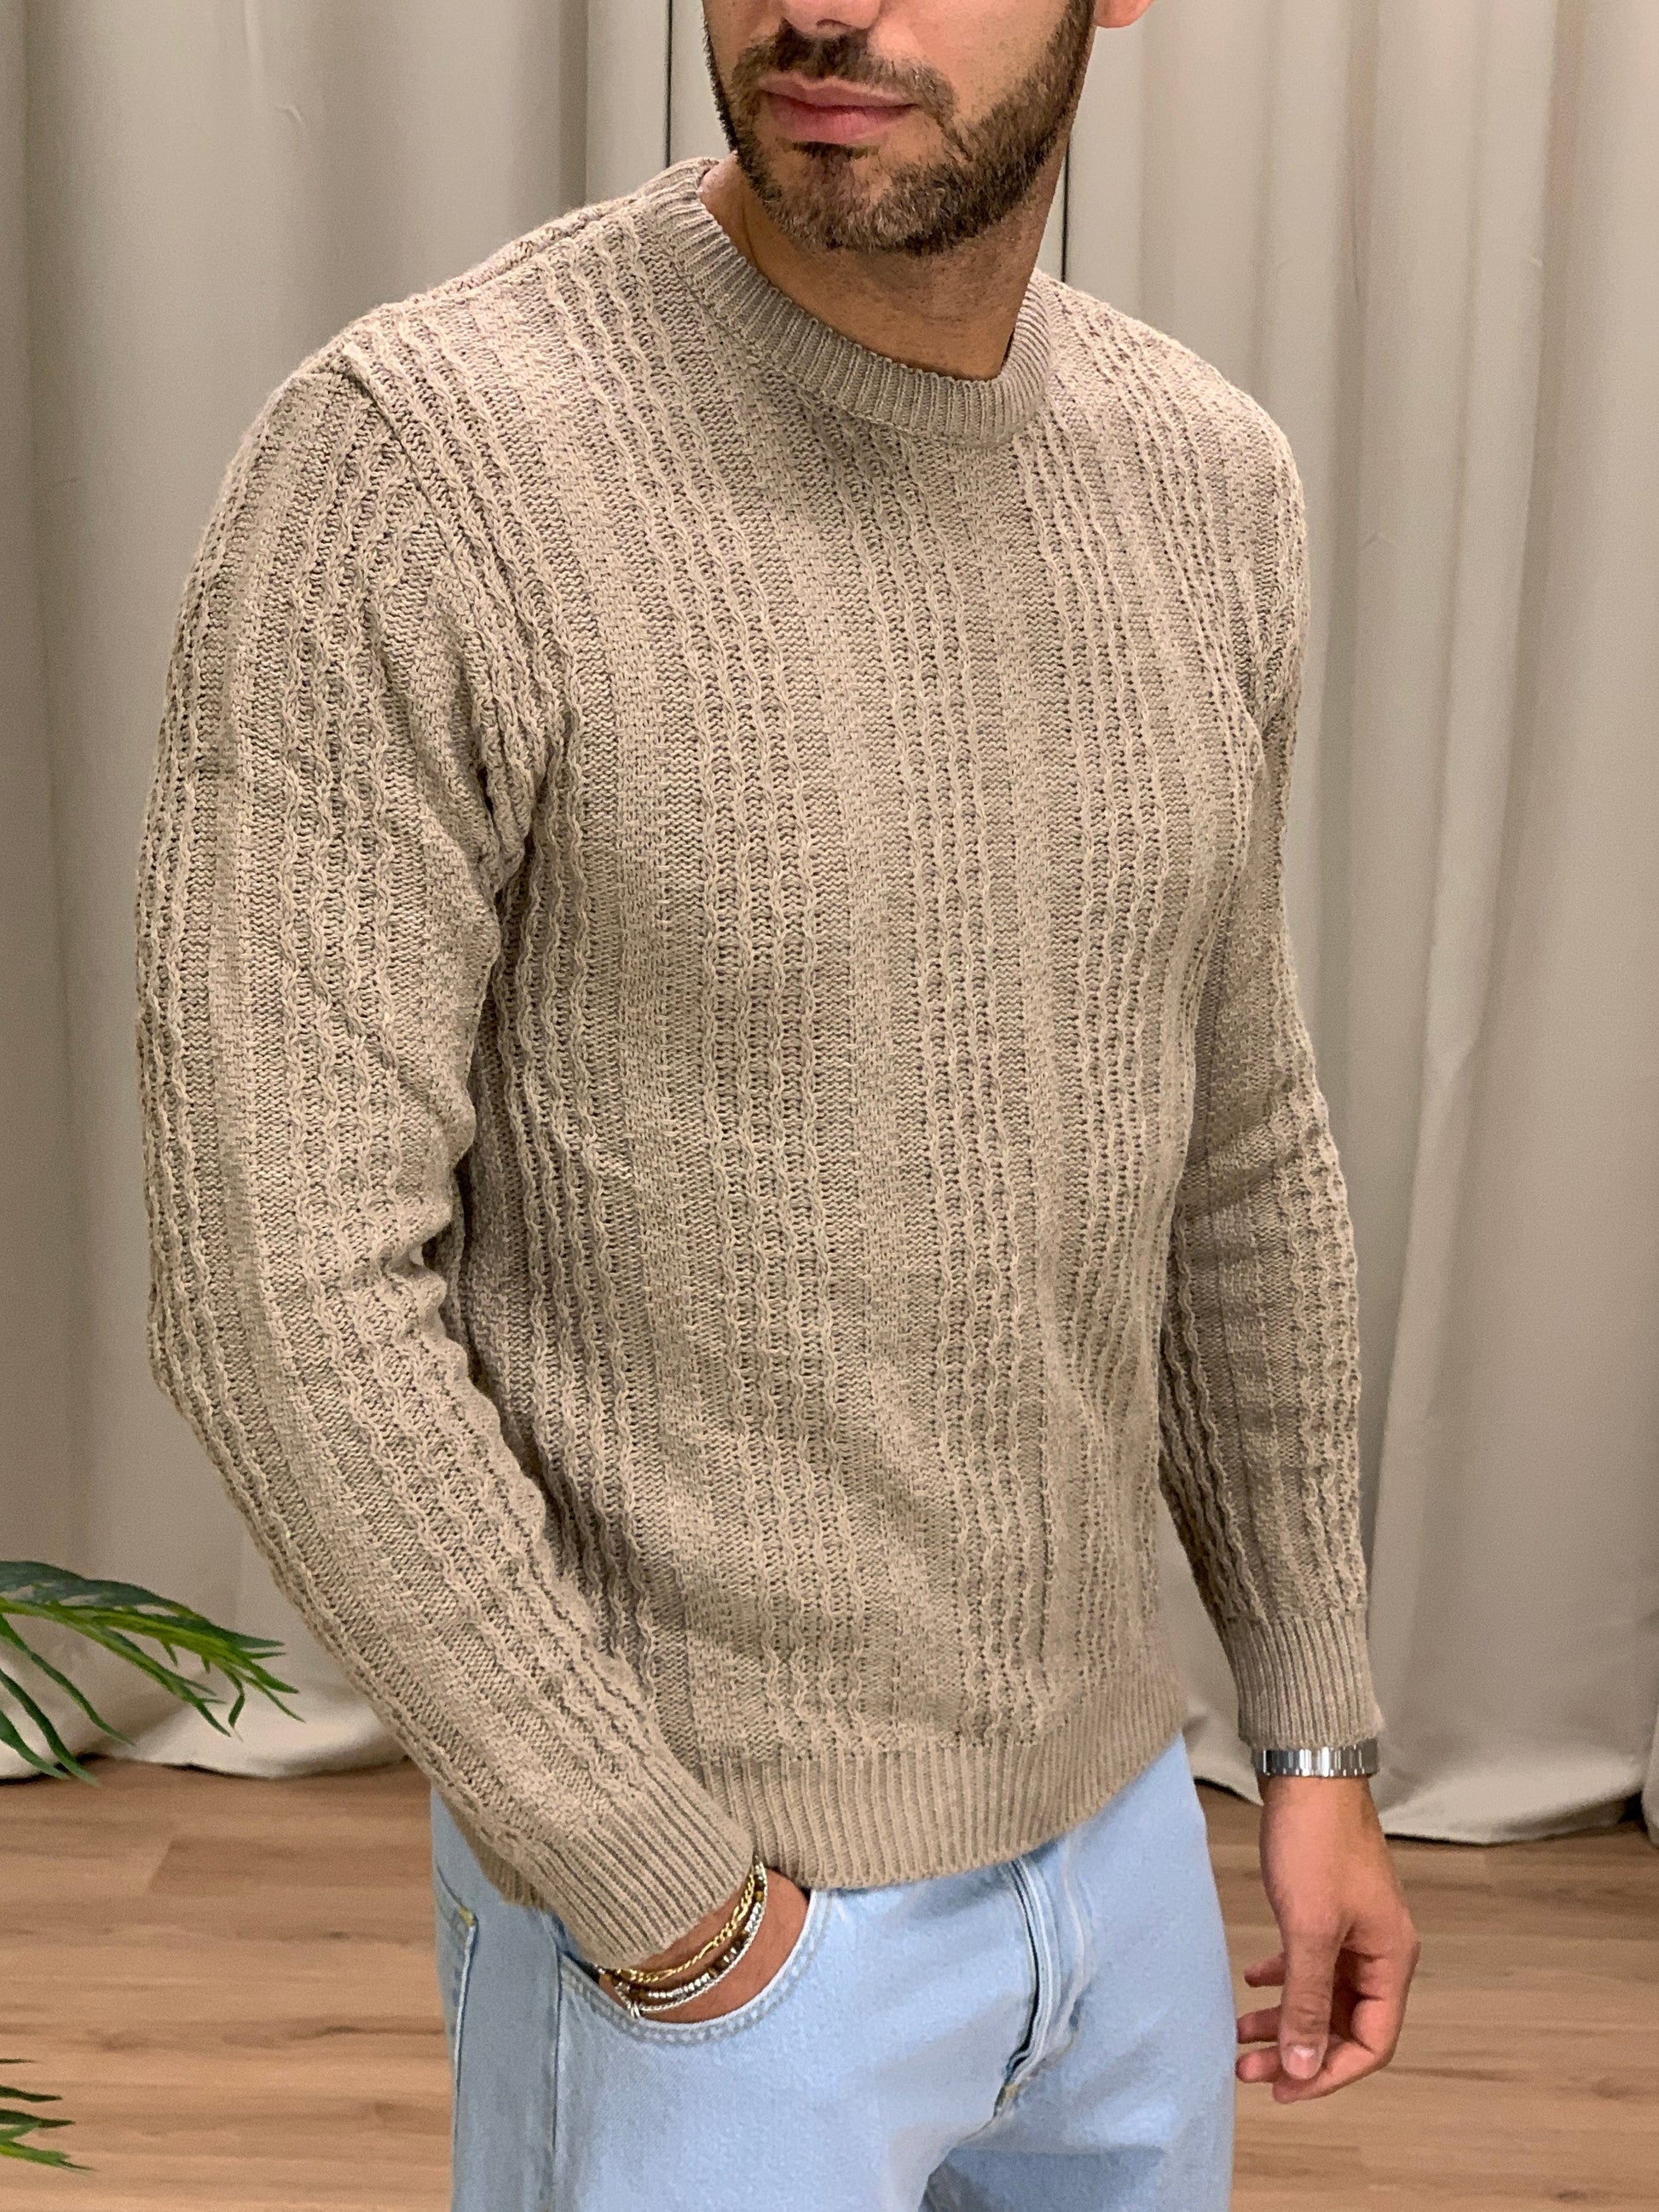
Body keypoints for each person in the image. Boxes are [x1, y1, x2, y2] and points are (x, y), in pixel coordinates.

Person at [133, 2, 1422, 2205]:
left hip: (1122, 1855)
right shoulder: (419, 463)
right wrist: (672, 1905)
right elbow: (278, 1286)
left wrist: (1310, 1729)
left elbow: (1231, 1145)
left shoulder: (1207, 478)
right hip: (713, 1948)